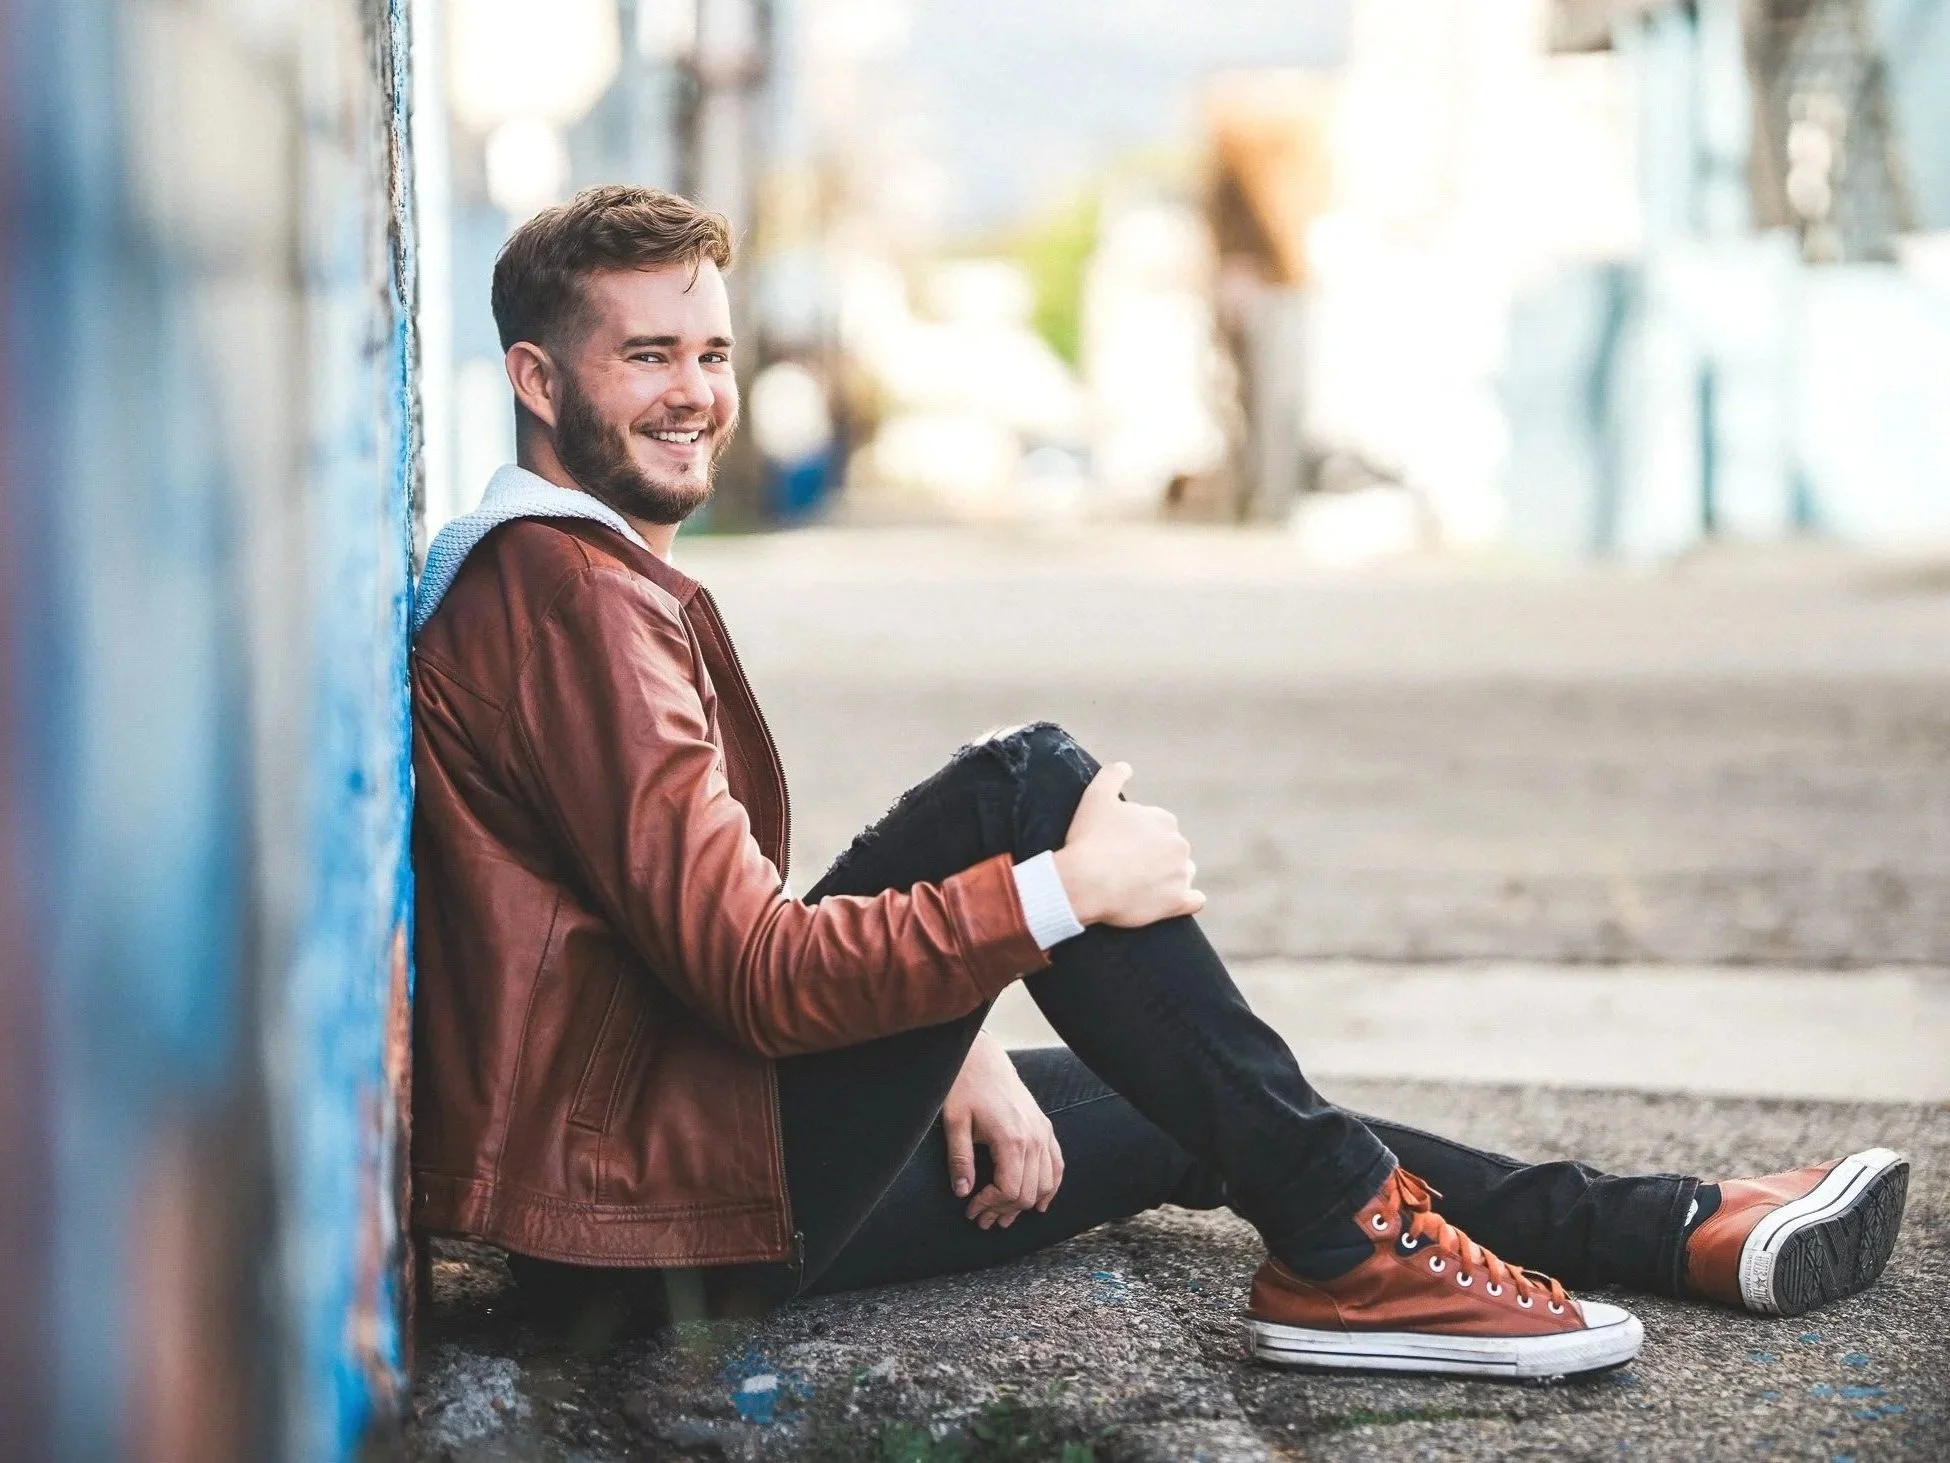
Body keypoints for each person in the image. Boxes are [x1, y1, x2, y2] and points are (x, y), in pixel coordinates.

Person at [407, 186, 1908, 1381]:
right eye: (647, 356)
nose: (695, 395)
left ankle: (1670, 1226)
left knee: (1217, 1099)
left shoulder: (562, 577)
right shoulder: (566, 594)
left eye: (713, 352)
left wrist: (944, 1037)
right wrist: (1058, 899)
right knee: (1030, 788)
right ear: (537, 379)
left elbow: (694, 935)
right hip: (651, 1221)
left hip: (657, 1177)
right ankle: (1357, 1253)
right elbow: (749, 973)